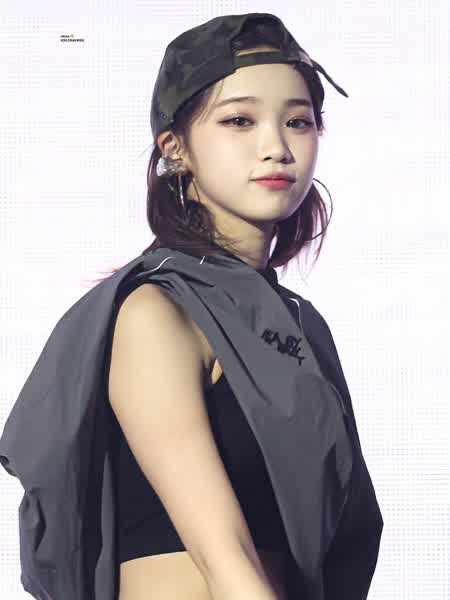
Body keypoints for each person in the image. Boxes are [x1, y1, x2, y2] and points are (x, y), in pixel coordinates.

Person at [0, 12, 383, 600]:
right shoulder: (157, 312)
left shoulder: (301, 327)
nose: (276, 148)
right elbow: (222, 557)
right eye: (239, 120)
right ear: (175, 148)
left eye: (298, 122)